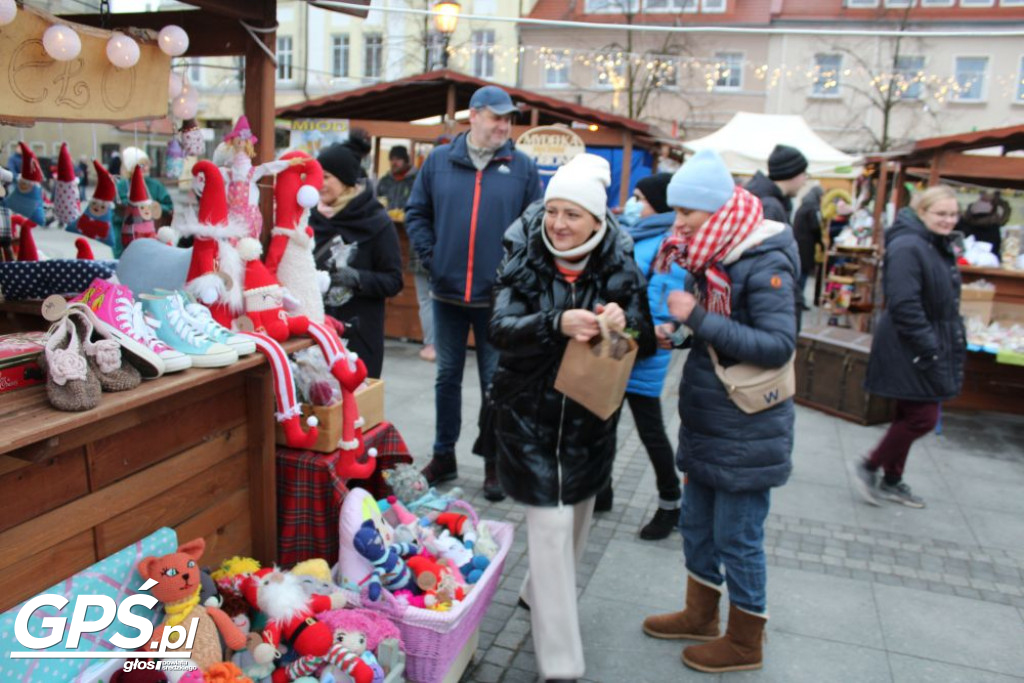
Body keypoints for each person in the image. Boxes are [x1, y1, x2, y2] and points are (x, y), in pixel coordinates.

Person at [489, 153, 654, 683]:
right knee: (554, 522)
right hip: (529, 412)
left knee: (577, 513)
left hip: (589, 417)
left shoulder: (620, 264)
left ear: (598, 218)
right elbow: (499, 328)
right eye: (553, 209)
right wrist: (555, 322)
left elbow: (643, 342)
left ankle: (539, 591)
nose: (558, 223)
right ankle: (560, 664)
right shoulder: (524, 254)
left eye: (573, 214)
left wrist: (623, 324)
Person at [641, 148, 797, 673]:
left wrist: (699, 318)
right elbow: (713, 332)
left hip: (748, 425)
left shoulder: (764, 259)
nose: (678, 222)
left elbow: (777, 344)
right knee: (698, 524)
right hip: (711, 415)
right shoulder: (711, 254)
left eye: (687, 212)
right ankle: (700, 614)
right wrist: (679, 333)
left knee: (739, 537)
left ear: (717, 210)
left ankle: (745, 641)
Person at [405, 84, 542, 500]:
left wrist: (513, 277)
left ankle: (493, 463)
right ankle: (443, 456)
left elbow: (535, 228)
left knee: (494, 384)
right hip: (447, 295)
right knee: (446, 379)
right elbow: (417, 213)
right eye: (497, 116)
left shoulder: (522, 167)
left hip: (497, 301)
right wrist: (432, 258)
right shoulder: (440, 162)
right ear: (474, 116)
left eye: (508, 118)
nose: (504, 125)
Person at [851, 185, 965, 509]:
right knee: (923, 417)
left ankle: (890, 479)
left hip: (921, 340)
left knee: (910, 412)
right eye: (941, 213)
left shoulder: (932, 243)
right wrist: (929, 347)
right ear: (923, 212)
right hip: (911, 343)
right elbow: (904, 303)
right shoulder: (909, 246)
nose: (948, 220)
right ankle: (870, 466)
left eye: (953, 214)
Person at [616, 171, 685, 537]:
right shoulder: (641, 234)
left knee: (650, 430)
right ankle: (601, 491)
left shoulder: (668, 244)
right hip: (622, 343)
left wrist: (654, 334)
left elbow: (661, 302)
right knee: (604, 422)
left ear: (657, 203)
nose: (634, 203)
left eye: (640, 197)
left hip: (643, 348)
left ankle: (670, 503)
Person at [311, 142, 404, 380]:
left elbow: (393, 280)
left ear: (345, 180)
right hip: (314, 335)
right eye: (316, 175)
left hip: (359, 339)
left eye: (327, 176)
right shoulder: (309, 217)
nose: (319, 182)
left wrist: (358, 278)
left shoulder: (376, 221)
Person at [377, 145, 435, 362]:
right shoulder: (387, 180)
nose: (394, 163)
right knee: (429, 299)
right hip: (422, 250)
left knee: (427, 299)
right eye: (392, 159)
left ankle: (432, 344)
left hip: (422, 251)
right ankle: (433, 344)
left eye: (397, 160)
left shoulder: (418, 181)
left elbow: (414, 216)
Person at [113, 147, 174, 257]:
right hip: (126, 240)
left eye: (147, 164)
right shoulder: (122, 186)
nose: (146, 168)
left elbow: (168, 206)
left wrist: (156, 208)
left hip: (152, 236)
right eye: (142, 165)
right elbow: (118, 212)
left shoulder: (155, 185)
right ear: (132, 168)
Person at [792, 184, 824, 310]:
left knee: (800, 272)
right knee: (803, 273)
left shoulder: (804, 205)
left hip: (799, 242)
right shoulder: (812, 208)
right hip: (806, 245)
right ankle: (799, 299)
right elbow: (815, 227)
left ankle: (798, 298)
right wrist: (820, 241)